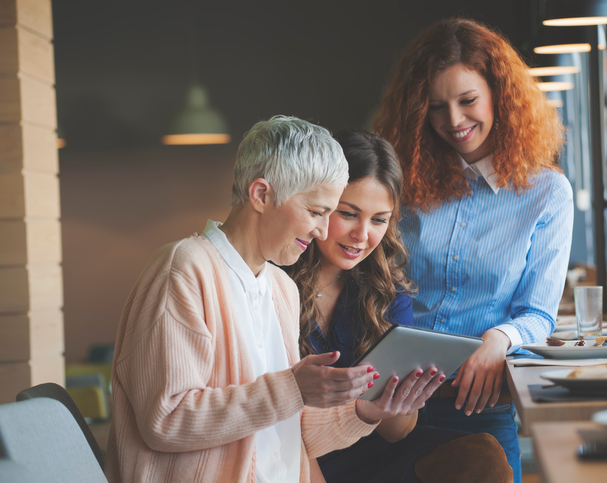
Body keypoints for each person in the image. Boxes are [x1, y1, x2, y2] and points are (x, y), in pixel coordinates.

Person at [106, 116, 428, 483]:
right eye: (316, 212)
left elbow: (287, 430)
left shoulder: (280, 288)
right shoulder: (183, 269)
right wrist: (291, 387)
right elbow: (164, 420)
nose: (323, 230)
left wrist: (365, 412)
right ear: (261, 194)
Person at [374, 18, 575, 483]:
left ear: (499, 95)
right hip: (389, 407)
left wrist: (499, 338)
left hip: (479, 408)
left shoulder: (547, 192)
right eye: (437, 106)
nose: (454, 121)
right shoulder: (402, 183)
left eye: (468, 101)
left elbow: (539, 314)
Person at [287, 128, 514, 483]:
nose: (362, 236)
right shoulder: (271, 284)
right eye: (348, 214)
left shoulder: (387, 291)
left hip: (376, 451)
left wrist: (398, 404)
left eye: (379, 220)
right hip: (295, 452)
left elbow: (397, 433)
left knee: (482, 454)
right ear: (321, 203)